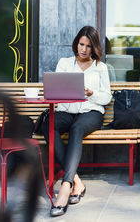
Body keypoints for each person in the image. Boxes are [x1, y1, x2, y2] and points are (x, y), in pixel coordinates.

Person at [41, 26, 112, 216]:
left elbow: (106, 97)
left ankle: (65, 186)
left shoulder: (100, 67)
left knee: (77, 128)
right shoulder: (64, 63)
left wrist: (92, 93)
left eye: (88, 46)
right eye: (81, 44)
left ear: (94, 47)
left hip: (91, 112)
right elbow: (55, 92)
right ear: (76, 44)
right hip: (67, 110)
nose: (84, 49)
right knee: (49, 125)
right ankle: (77, 182)